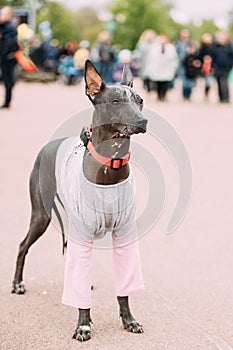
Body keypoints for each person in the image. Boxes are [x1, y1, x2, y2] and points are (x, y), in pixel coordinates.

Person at [144, 34, 178, 101]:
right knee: (158, 83)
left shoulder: (170, 48)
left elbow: (174, 58)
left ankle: (163, 95)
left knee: (165, 83)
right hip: (157, 69)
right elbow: (150, 58)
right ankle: (159, 95)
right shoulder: (154, 48)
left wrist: (174, 67)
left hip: (167, 69)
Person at [0, 6, 18, 108]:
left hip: (8, 57)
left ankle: (7, 101)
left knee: (8, 79)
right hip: (4, 56)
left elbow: (11, 43)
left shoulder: (10, 27)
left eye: (5, 14)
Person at [212, 31, 233, 103]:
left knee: (224, 82)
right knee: (218, 82)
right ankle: (221, 97)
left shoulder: (229, 47)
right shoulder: (215, 47)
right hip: (217, 67)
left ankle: (226, 98)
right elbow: (213, 57)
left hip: (226, 67)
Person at [198, 33, 214, 99]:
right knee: (205, 81)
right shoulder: (201, 48)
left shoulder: (213, 48)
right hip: (203, 67)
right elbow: (199, 56)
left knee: (208, 82)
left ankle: (207, 92)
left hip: (210, 66)